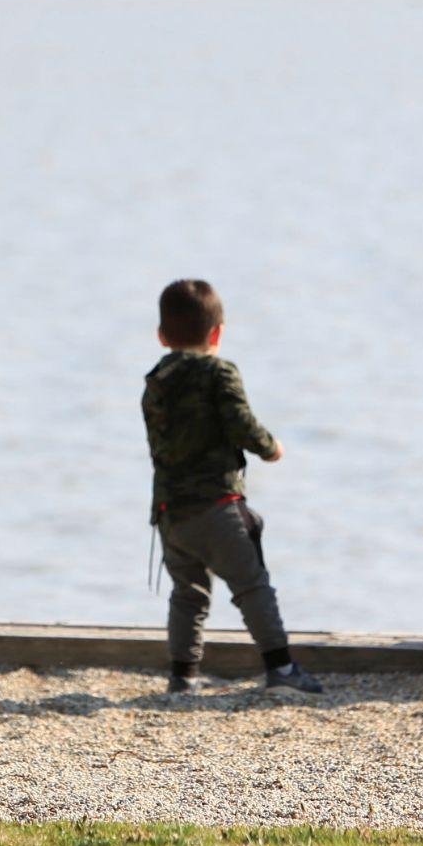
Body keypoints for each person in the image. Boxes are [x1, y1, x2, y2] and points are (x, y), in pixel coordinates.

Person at [142, 279, 321, 695]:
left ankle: (183, 676)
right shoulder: (219, 372)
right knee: (251, 585)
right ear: (217, 333)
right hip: (217, 505)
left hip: (170, 512)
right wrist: (270, 447)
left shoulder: (155, 382)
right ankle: (281, 670)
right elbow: (241, 423)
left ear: (162, 336)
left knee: (188, 594)